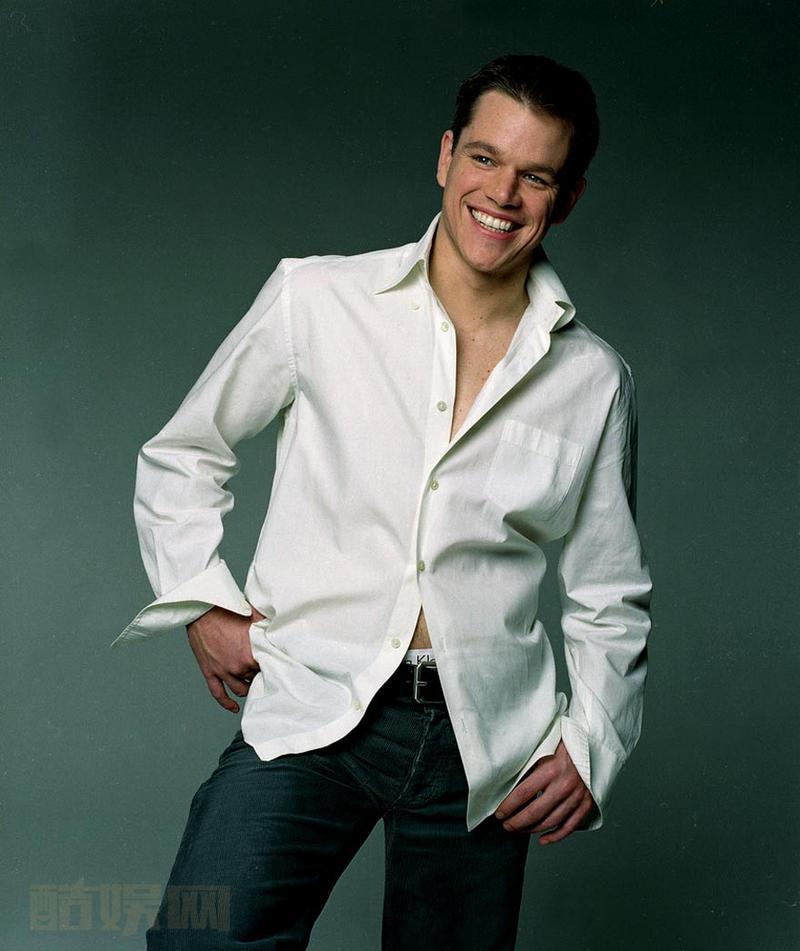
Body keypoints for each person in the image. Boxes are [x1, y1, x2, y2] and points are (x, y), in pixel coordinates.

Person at [112, 53, 652, 950]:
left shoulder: (594, 379)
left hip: (486, 745)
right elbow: (183, 453)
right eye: (484, 158)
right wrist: (201, 602)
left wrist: (592, 743)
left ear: (568, 198)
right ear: (446, 156)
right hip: (316, 697)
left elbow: (610, 592)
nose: (502, 193)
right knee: (202, 938)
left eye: (536, 176)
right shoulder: (317, 298)